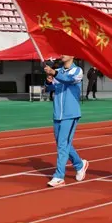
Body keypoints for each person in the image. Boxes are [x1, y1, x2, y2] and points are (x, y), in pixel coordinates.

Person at [44, 56, 89, 187]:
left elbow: (69, 80)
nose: (62, 55)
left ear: (72, 55)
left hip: (70, 113)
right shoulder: (58, 71)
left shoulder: (77, 71)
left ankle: (59, 176)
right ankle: (80, 164)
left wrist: (54, 73)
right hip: (57, 113)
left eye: (65, 52)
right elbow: (51, 88)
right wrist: (49, 81)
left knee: (62, 145)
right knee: (62, 144)